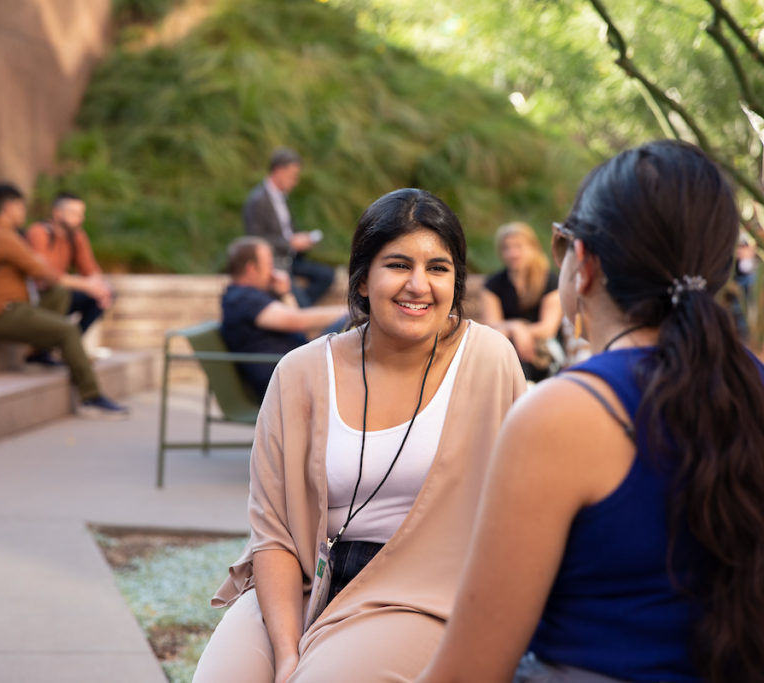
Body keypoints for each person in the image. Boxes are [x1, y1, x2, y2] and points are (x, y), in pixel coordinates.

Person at [417, 141, 764, 683]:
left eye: (560, 244)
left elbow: (467, 674)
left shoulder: (564, 414)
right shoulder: (757, 387)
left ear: (583, 262)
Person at [194, 189, 527, 682]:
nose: (418, 285)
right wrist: (286, 654)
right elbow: (274, 532)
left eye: (438, 268)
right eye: (398, 265)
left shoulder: (488, 360)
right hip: (307, 578)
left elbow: (520, 515)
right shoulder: (301, 373)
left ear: (456, 282)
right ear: (363, 280)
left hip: (417, 594)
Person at [0, 183, 128, 418]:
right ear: (9, 207)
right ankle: (91, 397)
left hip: (7, 306)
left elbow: (67, 272)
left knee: (58, 294)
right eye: (21, 207)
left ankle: (41, 353)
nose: (24, 212)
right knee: (67, 330)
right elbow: (43, 272)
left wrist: (96, 286)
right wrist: (76, 280)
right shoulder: (0, 237)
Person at [221, 236, 348, 398]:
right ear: (252, 268)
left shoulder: (249, 295)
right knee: (349, 321)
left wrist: (285, 293)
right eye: (269, 264)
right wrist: (347, 311)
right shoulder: (242, 298)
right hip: (285, 380)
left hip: (297, 369)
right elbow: (296, 321)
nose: (273, 271)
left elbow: (297, 326)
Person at [243, 147, 335, 307]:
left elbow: (286, 230)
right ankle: (300, 308)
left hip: (292, 259)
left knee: (327, 275)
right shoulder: (257, 200)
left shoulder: (282, 197)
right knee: (302, 303)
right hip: (275, 263)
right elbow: (256, 240)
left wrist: (301, 239)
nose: (295, 181)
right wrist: (290, 243)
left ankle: (299, 307)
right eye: (293, 176)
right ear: (279, 171)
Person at [24, 192, 112, 350]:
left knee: (101, 297)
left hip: (61, 292)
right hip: (39, 296)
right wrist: (86, 285)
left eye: (81, 214)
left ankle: (70, 345)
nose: (79, 219)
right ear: (57, 213)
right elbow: (45, 274)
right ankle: (46, 349)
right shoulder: (39, 232)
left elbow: (90, 269)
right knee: (59, 292)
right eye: (73, 213)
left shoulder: (76, 236)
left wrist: (101, 289)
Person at [480, 222, 563, 381]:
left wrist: (522, 332)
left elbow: (548, 328)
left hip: (545, 349)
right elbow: (491, 325)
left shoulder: (550, 281)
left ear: (533, 248)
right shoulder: (493, 284)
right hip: (507, 346)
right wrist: (515, 328)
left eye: (518, 247)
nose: (513, 253)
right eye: (507, 248)